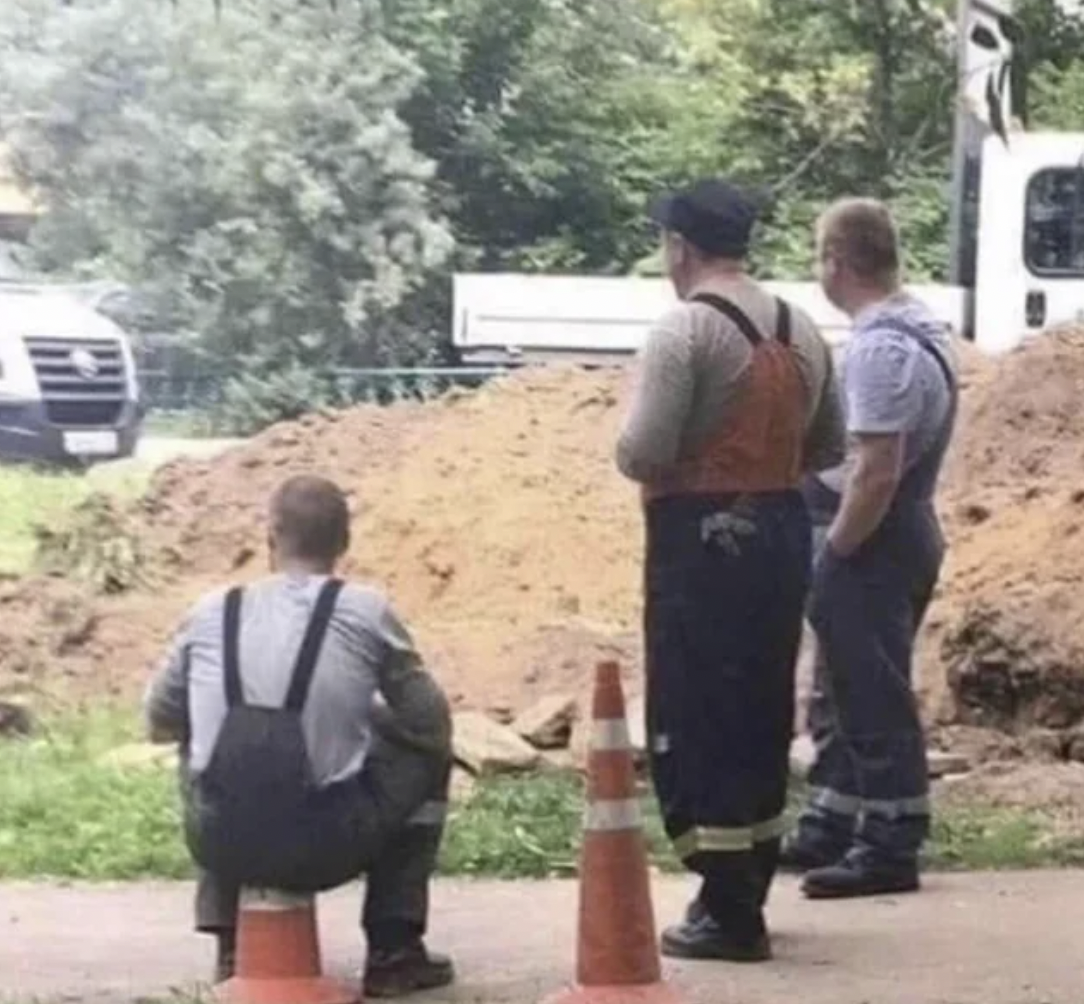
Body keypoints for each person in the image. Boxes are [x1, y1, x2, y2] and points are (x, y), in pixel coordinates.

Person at [616, 178, 846, 962]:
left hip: (700, 542)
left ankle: (724, 909)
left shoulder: (685, 331)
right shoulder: (802, 325)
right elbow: (830, 447)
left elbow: (643, 451)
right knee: (759, 708)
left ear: (680, 246)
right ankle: (747, 885)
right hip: (781, 536)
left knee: (698, 707)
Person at [144, 474, 455, 999]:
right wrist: (368, 717)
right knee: (430, 759)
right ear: (344, 543)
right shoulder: (365, 610)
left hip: (221, 840)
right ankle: (394, 948)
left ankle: (233, 945)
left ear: (271, 537)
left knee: (200, 738)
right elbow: (430, 723)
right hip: (328, 845)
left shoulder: (210, 611)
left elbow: (157, 719)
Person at [781, 197, 959, 899]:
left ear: (837, 262)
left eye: (820, 257)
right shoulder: (917, 327)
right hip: (893, 531)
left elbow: (876, 469)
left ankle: (890, 841)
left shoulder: (881, 349)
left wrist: (836, 555)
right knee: (840, 687)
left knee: (870, 690)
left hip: (875, 536)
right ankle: (834, 818)